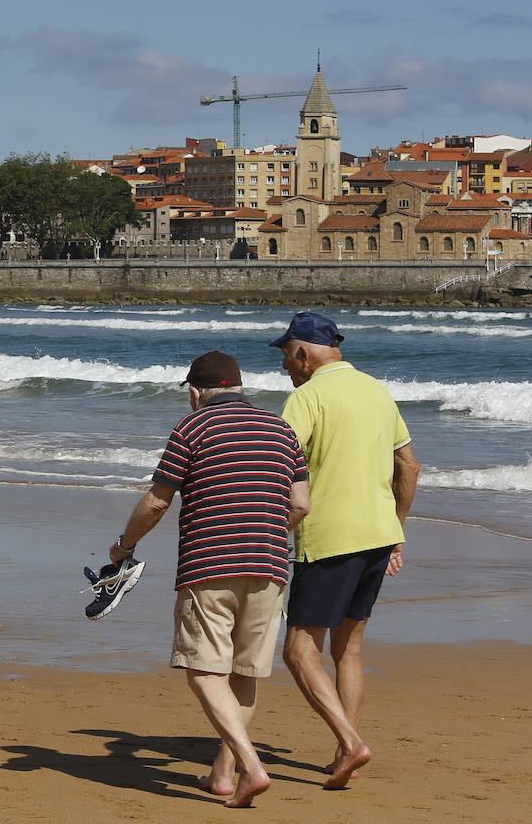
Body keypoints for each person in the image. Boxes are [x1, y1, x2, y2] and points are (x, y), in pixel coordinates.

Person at [106, 351, 309, 808]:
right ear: (238, 385)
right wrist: (267, 537)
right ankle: (223, 773)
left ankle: (251, 768)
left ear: (196, 391)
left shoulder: (192, 427)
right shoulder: (282, 430)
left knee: (202, 669)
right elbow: (300, 504)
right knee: (245, 672)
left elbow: (157, 502)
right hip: (271, 564)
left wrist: (124, 546)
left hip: (210, 564)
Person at [270, 312, 420, 790]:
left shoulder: (306, 397)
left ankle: (349, 742)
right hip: (378, 534)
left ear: (303, 352)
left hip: (329, 538)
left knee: (298, 650)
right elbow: (409, 467)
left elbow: (278, 468)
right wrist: (395, 529)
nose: (286, 369)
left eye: (286, 358)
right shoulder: (377, 390)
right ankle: (343, 752)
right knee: (349, 649)